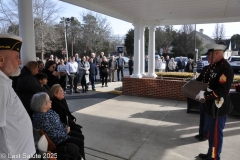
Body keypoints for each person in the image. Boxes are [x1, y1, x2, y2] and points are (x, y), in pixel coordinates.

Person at [195, 42, 234, 160]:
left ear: (217, 54)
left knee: (216, 135)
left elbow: (221, 91)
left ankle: (214, 157)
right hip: (210, 106)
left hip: (218, 108)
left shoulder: (225, 69)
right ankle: (210, 154)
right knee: (211, 134)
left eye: (210, 55)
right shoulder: (214, 67)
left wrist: (205, 95)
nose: (207, 57)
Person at [0, 34, 35, 158]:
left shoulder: (4, 83)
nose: (20, 61)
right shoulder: (1, 86)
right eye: (17, 57)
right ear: (1, 60)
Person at [31, 92, 85, 160]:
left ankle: (80, 156)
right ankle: (80, 157)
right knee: (80, 142)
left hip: (62, 133)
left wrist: (65, 127)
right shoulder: (42, 119)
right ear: (42, 104)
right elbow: (53, 136)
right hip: (59, 140)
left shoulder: (48, 112)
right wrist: (66, 131)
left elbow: (58, 123)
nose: (51, 101)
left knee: (80, 136)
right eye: (48, 100)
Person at [194, 54, 211, 142]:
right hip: (202, 94)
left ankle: (205, 134)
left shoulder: (216, 69)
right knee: (202, 114)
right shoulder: (205, 68)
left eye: (209, 57)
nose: (208, 59)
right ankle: (201, 133)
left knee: (207, 117)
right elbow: (200, 79)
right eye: (207, 57)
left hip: (209, 95)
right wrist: (194, 81)